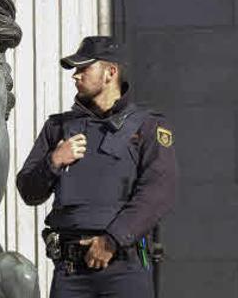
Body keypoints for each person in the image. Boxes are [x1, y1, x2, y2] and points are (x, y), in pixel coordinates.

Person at [16, 36, 176, 298]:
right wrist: (54, 161)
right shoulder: (58, 128)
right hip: (71, 273)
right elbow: (28, 191)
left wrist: (111, 240)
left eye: (84, 68)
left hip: (126, 269)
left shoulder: (148, 127)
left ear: (110, 73)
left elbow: (159, 193)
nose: (75, 76)